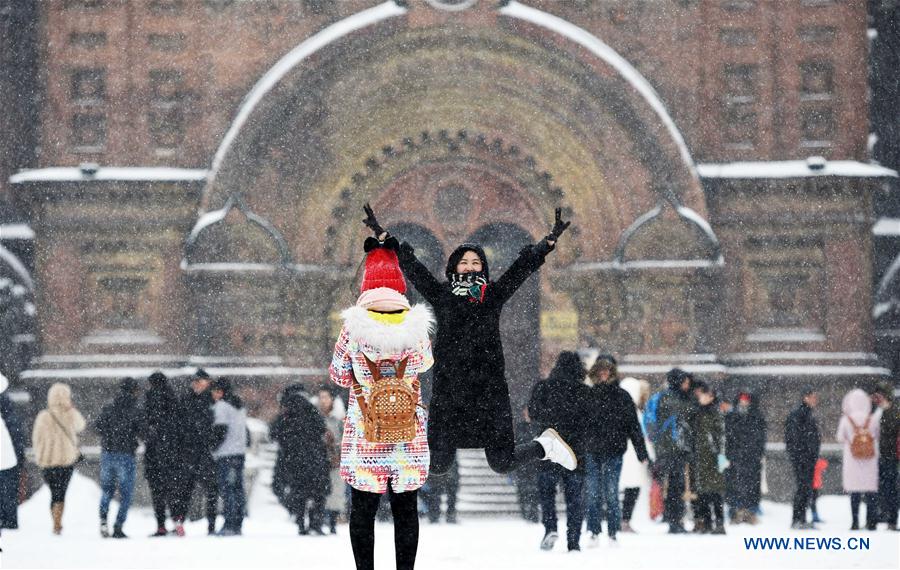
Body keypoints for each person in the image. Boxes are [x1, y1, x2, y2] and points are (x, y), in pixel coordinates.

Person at [363, 204, 577, 476]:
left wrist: (546, 244)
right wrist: (384, 237)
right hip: (450, 393)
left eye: (476, 263)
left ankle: (545, 446)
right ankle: (393, 444)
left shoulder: (492, 295)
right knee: (437, 464)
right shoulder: (441, 295)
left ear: (483, 268)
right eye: (464, 262)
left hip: (489, 391)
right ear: (454, 267)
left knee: (502, 462)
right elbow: (414, 269)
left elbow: (520, 270)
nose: (470, 267)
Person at [330, 236, 435, 570]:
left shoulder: (353, 329)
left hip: (366, 433)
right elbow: (425, 364)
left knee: (363, 510)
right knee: (406, 510)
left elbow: (339, 375)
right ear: (399, 285)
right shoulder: (416, 327)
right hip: (407, 434)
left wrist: (365, 376)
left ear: (366, 284)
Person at [528, 351, 592, 551]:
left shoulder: (543, 387)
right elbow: (591, 420)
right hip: (575, 451)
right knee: (575, 498)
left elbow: (533, 413)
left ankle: (550, 527)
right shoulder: (584, 392)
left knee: (547, 493)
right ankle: (573, 540)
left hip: (549, 447)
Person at [583, 355, 648, 545]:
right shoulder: (588, 395)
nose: (604, 374)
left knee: (611, 493)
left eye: (607, 370)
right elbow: (580, 424)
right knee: (593, 493)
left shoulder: (621, 396)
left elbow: (633, 426)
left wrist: (641, 452)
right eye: (601, 370)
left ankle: (612, 532)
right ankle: (594, 531)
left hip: (613, 450)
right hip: (593, 449)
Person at [270, 384, 330, 535]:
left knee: (298, 492)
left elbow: (274, 433)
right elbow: (321, 428)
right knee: (318, 492)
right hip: (315, 457)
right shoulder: (311, 409)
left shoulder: (287, 411)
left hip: (293, 459)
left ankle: (301, 523)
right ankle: (315, 523)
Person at [31, 382, 86, 535]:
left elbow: (36, 438)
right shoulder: (70, 414)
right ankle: (57, 522)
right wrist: (72, 409)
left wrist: (39, 455)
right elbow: (81, 425)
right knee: (61, 492)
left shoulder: (43, 416)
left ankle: (56, 522)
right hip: (66, 461)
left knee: (54, 492)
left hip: (48, 461)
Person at [644, 368, 694, 534]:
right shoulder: (675, 399)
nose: (687, 385)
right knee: (675, 486)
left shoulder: (661, 397)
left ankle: (670, 517)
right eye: (685, 382)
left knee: (669, 484)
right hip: (673, 449)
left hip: (666, 449)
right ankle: (674, 520)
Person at [94, 377, 143, 539]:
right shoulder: (135, 409)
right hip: (126, 455)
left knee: (107, 490)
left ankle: (103, 520)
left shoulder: (109, 407)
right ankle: (118, 526)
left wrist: (110, 435)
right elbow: (143, 432)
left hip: (108, 454)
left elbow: (97, 426)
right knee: (126, 494)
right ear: (133, 390)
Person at [172, 368, 218, 535]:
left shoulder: (211, 401)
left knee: (210, 489)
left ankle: (211, 525)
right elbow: (179, 424)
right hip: (189, 449)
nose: (198, 385)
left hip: (205, 449)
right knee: (185, 488)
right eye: (196, 382)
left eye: (201, 382)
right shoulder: (187, 400)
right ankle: (179, 521)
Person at [143, 371, 183, 537]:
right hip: (171, 452)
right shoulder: (173, 399)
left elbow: (145, 425)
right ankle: (178, 521)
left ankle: (161, 526)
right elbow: (180, 425)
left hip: (153, 452)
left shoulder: (149, 399)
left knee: (157, 492)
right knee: (173, 490)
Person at [835, 388, 882, 531]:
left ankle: (855, 522)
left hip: (852, 460)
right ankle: (871, 522)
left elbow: (839, 437)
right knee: (870, 492)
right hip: (870, 459)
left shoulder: (846, 419)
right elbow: (878, 436)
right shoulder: (872, 419)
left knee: (854, 492)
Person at [210, 377, 248, 536]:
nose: (213, 395)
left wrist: (212, 448)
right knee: (238, 489)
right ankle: (238, 523)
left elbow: (220, 431)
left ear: (220, 392)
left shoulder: (221, 406)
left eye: (214, 391)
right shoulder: (240, 406)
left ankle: (229, 524)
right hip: (239, 453)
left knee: (227, 490)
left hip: (226, 454)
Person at [689, 382, 726, 534]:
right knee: (702, 492)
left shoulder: (715, 413)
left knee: (715, 492)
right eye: (703, 395)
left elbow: (720, 436)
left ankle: (719, 523)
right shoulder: (696, 412)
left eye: (708, 395)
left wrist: (719, 454)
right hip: (699, 457)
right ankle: (707, 522)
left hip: (712, 458)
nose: (704, 398)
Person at [725, 390, 766, 525]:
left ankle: (749, 512)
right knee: (734, 484)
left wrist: (758, 453)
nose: (744, 403)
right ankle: (735, 512)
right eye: (742, 400)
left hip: (751, 457)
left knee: (751, 484)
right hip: (735, 457)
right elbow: (728, 437)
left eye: (746, 400)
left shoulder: (757, 417)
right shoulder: (731, 416)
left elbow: (761, 438)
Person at [618, 377, 653, 534]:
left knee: (627, 490)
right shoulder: (633, 412)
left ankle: (623, 520)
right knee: (632, 489)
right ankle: (625, 520)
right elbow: (640, 435)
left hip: (627, 456)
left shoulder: (622, 410)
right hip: (634, 457)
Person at [784, 389, 821, 530]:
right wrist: (801, 455)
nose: (815, 400)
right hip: (802, 459)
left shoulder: (807, 414)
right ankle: (797, 519)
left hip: (807, 458)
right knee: (803, 488)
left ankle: (801, 519)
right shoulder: (799, 414)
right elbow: (794, 438)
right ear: (805, 397)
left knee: (806, 489)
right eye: (812, 397)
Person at [317, 386, 347, 534]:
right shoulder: (315, 417)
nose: (323, 400)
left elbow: (345, 437)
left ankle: (333, 522)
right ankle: (320, 520)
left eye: (326, 397)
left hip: (336, 459)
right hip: (319, 459)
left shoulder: (339, 418)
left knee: (336, 491)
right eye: (321, 397)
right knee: (321, 491)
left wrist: (337, 447)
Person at [0, 373, 26, 533]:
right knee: (8, 492)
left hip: (8, 456)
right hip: (8, 458)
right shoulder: (7, 408)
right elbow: (16, 433)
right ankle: (9, 522)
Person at [872, 383, 899, 530]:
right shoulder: (877, 411)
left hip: (890, 456)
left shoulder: (893, 412)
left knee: (891, 488)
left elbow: (891, 433)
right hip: (879, 456)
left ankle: (891, 519)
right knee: (883, 488)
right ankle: (884, 515)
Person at [512, 408, 541, 523]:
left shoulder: (536, 426)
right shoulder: (520, 427)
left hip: (533, 463)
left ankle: (533, 511)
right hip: (523, 463)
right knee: (523, 488)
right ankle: (525, 509)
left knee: (533, 488)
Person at [420, 454, 460, 524]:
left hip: (442, 472)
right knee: (438, 495)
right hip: (441, 473)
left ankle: (437, 515)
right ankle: (440, 515)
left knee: (439, 495)